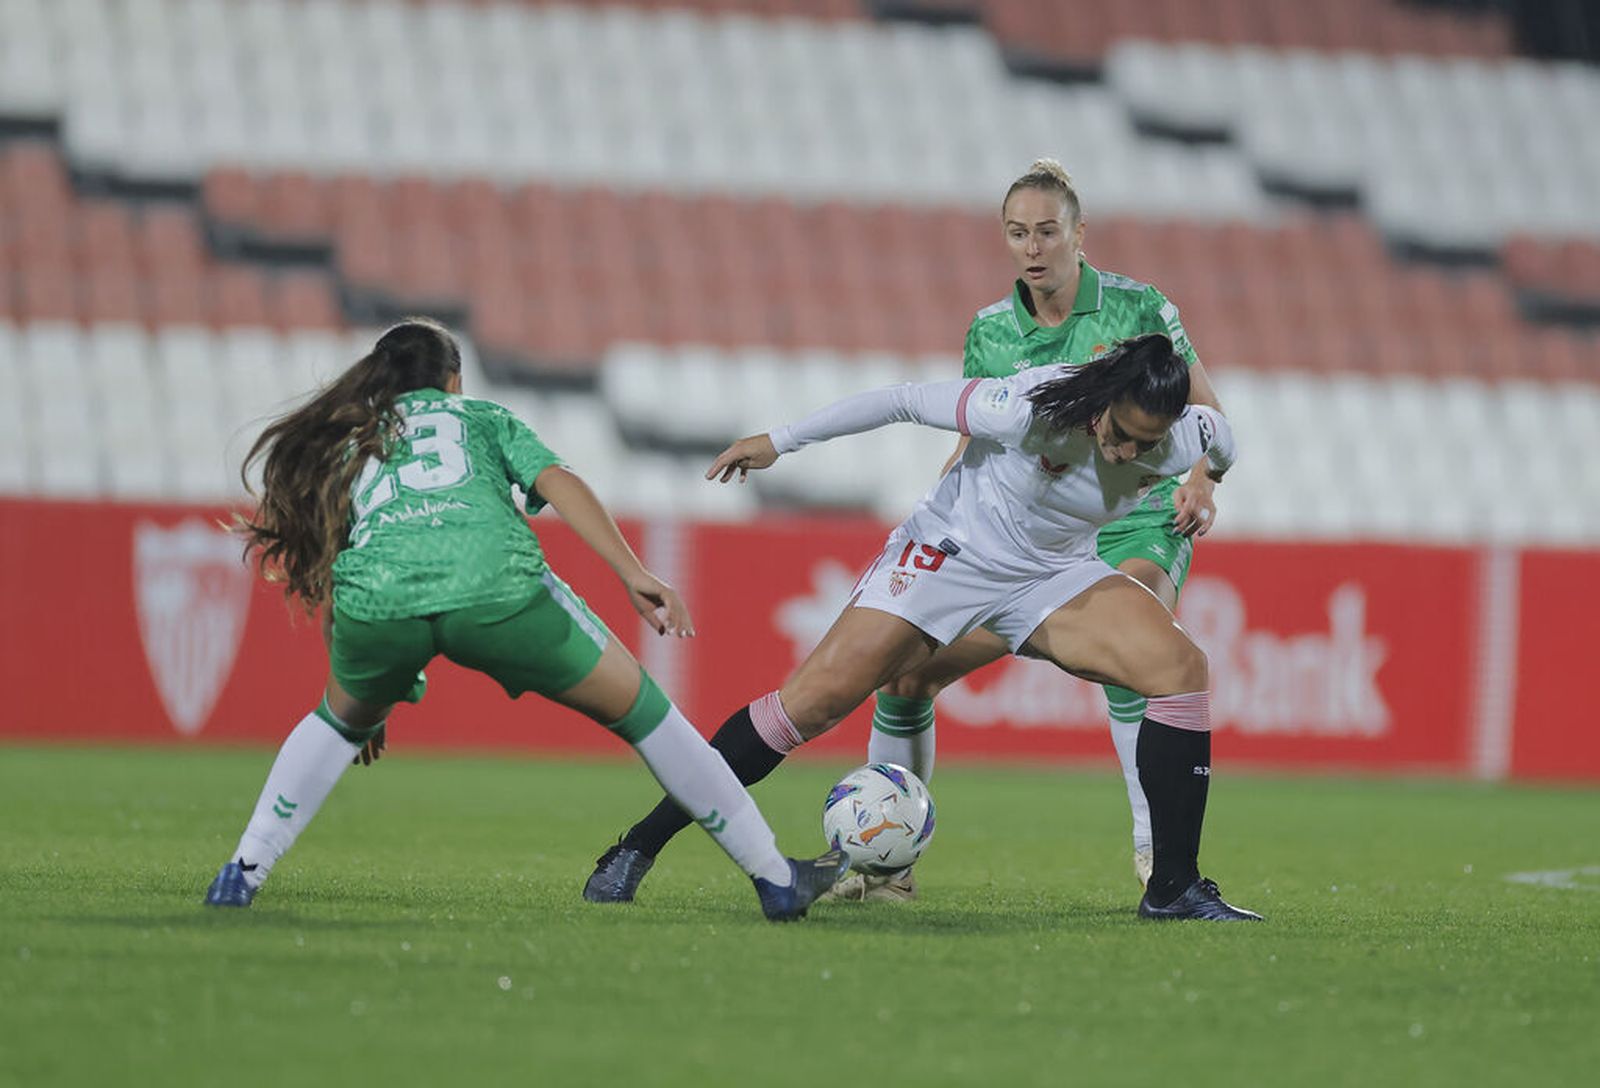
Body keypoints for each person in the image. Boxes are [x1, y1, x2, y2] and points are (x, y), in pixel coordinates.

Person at [586, 331, 1261, 921]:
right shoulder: (1027, 407)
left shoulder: (1185, 435)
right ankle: (635, 848)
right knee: (810, 706)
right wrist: (780, 442)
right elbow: (902, 399)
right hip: (950, 556)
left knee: (1180, 669)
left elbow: (1220, 449)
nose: (1124, 452)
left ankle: (1173, 888)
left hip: (1053, 572)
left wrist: (1202, 482)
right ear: (1104, 398)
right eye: (1118, 433)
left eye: (1145, 445)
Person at [202, 318, 845, 921]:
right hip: (496, 589)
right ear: (454, 380)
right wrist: (632, 572)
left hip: (378, 608)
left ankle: (242, 872)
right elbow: (559, 480)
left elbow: (346, 562)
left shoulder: (351, 447)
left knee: (333, 724)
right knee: (648, 716)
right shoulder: (479, 416)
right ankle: (775, 878)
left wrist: (365, 692)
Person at [842, 158, 1230, 900]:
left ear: (1079, 234)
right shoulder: (990, 332)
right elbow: (973, 443)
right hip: (1025, 539)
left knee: (1139, 629)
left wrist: (1202, 479)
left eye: (1047, 231)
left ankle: (1156, 856)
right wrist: (934, 520)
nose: (1033, 247)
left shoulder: (1138, 307)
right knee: (906, 675)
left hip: (1133, 515)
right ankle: (886, 867)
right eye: (1018, 233)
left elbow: (1205, 408)